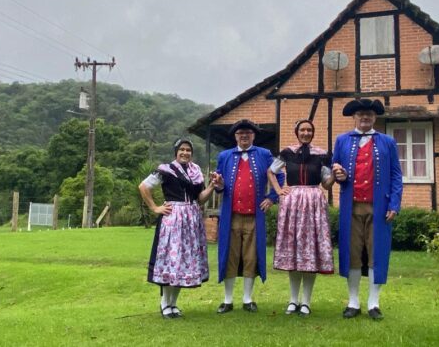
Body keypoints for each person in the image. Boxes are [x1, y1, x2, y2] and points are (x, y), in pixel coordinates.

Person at [331, 99, 403, 321]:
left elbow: (396, 175)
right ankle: (353, 302)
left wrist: (394, 204)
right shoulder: (342, 140)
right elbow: (334, 170)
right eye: (361, 114)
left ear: (375, 118)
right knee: (352, 254)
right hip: (350, 208)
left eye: (369, 114)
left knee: (376, 254)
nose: (365, 117)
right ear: (354, 116)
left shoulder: (387, 142)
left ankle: (374, 303)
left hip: (379, 207)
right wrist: (338, 173)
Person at [139, 138, 217, 319]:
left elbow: (201, 198)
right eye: (181, 149)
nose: (185, 152)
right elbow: (143, 186)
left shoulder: (195, 171)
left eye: (188, 150)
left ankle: (174, 304)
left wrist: (212, 185)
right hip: (173, 220)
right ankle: (165, 304)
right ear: (176, 152)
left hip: (191, 220)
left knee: (185, 263)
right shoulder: (166, 170)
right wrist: (154, 207)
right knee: (172, 261)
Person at [213, 119, 282, 314]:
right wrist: (218, 184)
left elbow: (279, 175)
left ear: (253, 135)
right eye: (240, 133)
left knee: (251, 257)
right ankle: (227, 300)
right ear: (235, 136)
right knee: (230, 256)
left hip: (254, 216)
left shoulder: (265, 154)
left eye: (248, 133)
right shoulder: (224, 156)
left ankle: (248, 299)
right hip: (231, 216)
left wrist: (272, 197)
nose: (244, 136)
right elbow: (219, 184)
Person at [267, 119, 335, 317]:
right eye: (302, 130)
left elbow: (327, 184)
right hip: (293, 202)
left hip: (314, 201)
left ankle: (306, 302)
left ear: (313, 133)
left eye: (309, 130)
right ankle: (293, 300)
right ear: (297, 132)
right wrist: (279, 190)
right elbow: (271, 171)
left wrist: (336, 175)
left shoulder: (321, 154)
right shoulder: (287, 152)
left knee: (310, 251)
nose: (306, 133)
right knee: (293, 251)